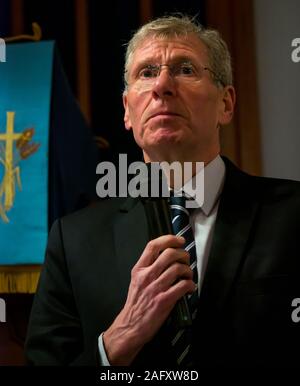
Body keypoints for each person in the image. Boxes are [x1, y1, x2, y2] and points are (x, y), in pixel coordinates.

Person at [25, 15, 300, 368]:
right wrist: (120, 338)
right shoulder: (72, 240)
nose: (163, 86)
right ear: (128, 110)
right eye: (147, 72)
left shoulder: (293, 215)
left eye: (185, 70)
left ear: (226, 104)